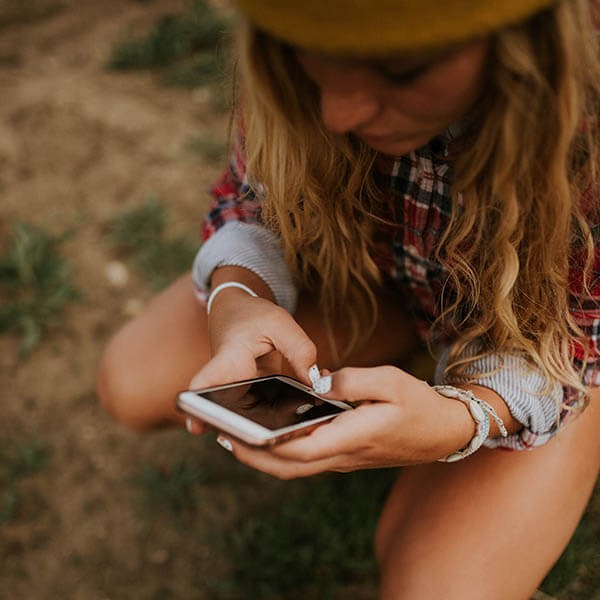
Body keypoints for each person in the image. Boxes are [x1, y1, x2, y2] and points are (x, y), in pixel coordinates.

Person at [97, 0, 600, 597]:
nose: (339, 111)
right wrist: (239, 302)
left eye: (400, 70)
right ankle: (404, 341)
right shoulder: (293, 52)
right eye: (320, 60)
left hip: (544, 345)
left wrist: (458, 421)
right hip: (379, 286)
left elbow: (576, 339)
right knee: (134, 380)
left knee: (438, 589)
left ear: (526, 45)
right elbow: (252, 199)